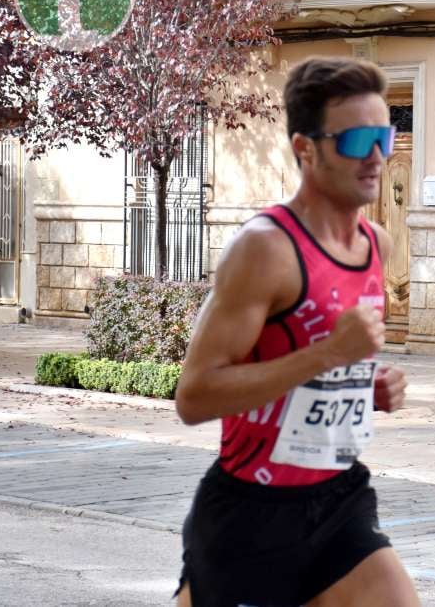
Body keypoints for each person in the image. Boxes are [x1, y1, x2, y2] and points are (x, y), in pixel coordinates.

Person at [173, 57, 419, 607]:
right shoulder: (265, 248)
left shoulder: (376, 244)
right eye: (357, 140)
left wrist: (364, 382)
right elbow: (193, 396)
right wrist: (331, 355)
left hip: (337, 498)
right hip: (249, 514)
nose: (378, 155)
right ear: (305, 149)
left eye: (385, 134)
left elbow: (318, 359)